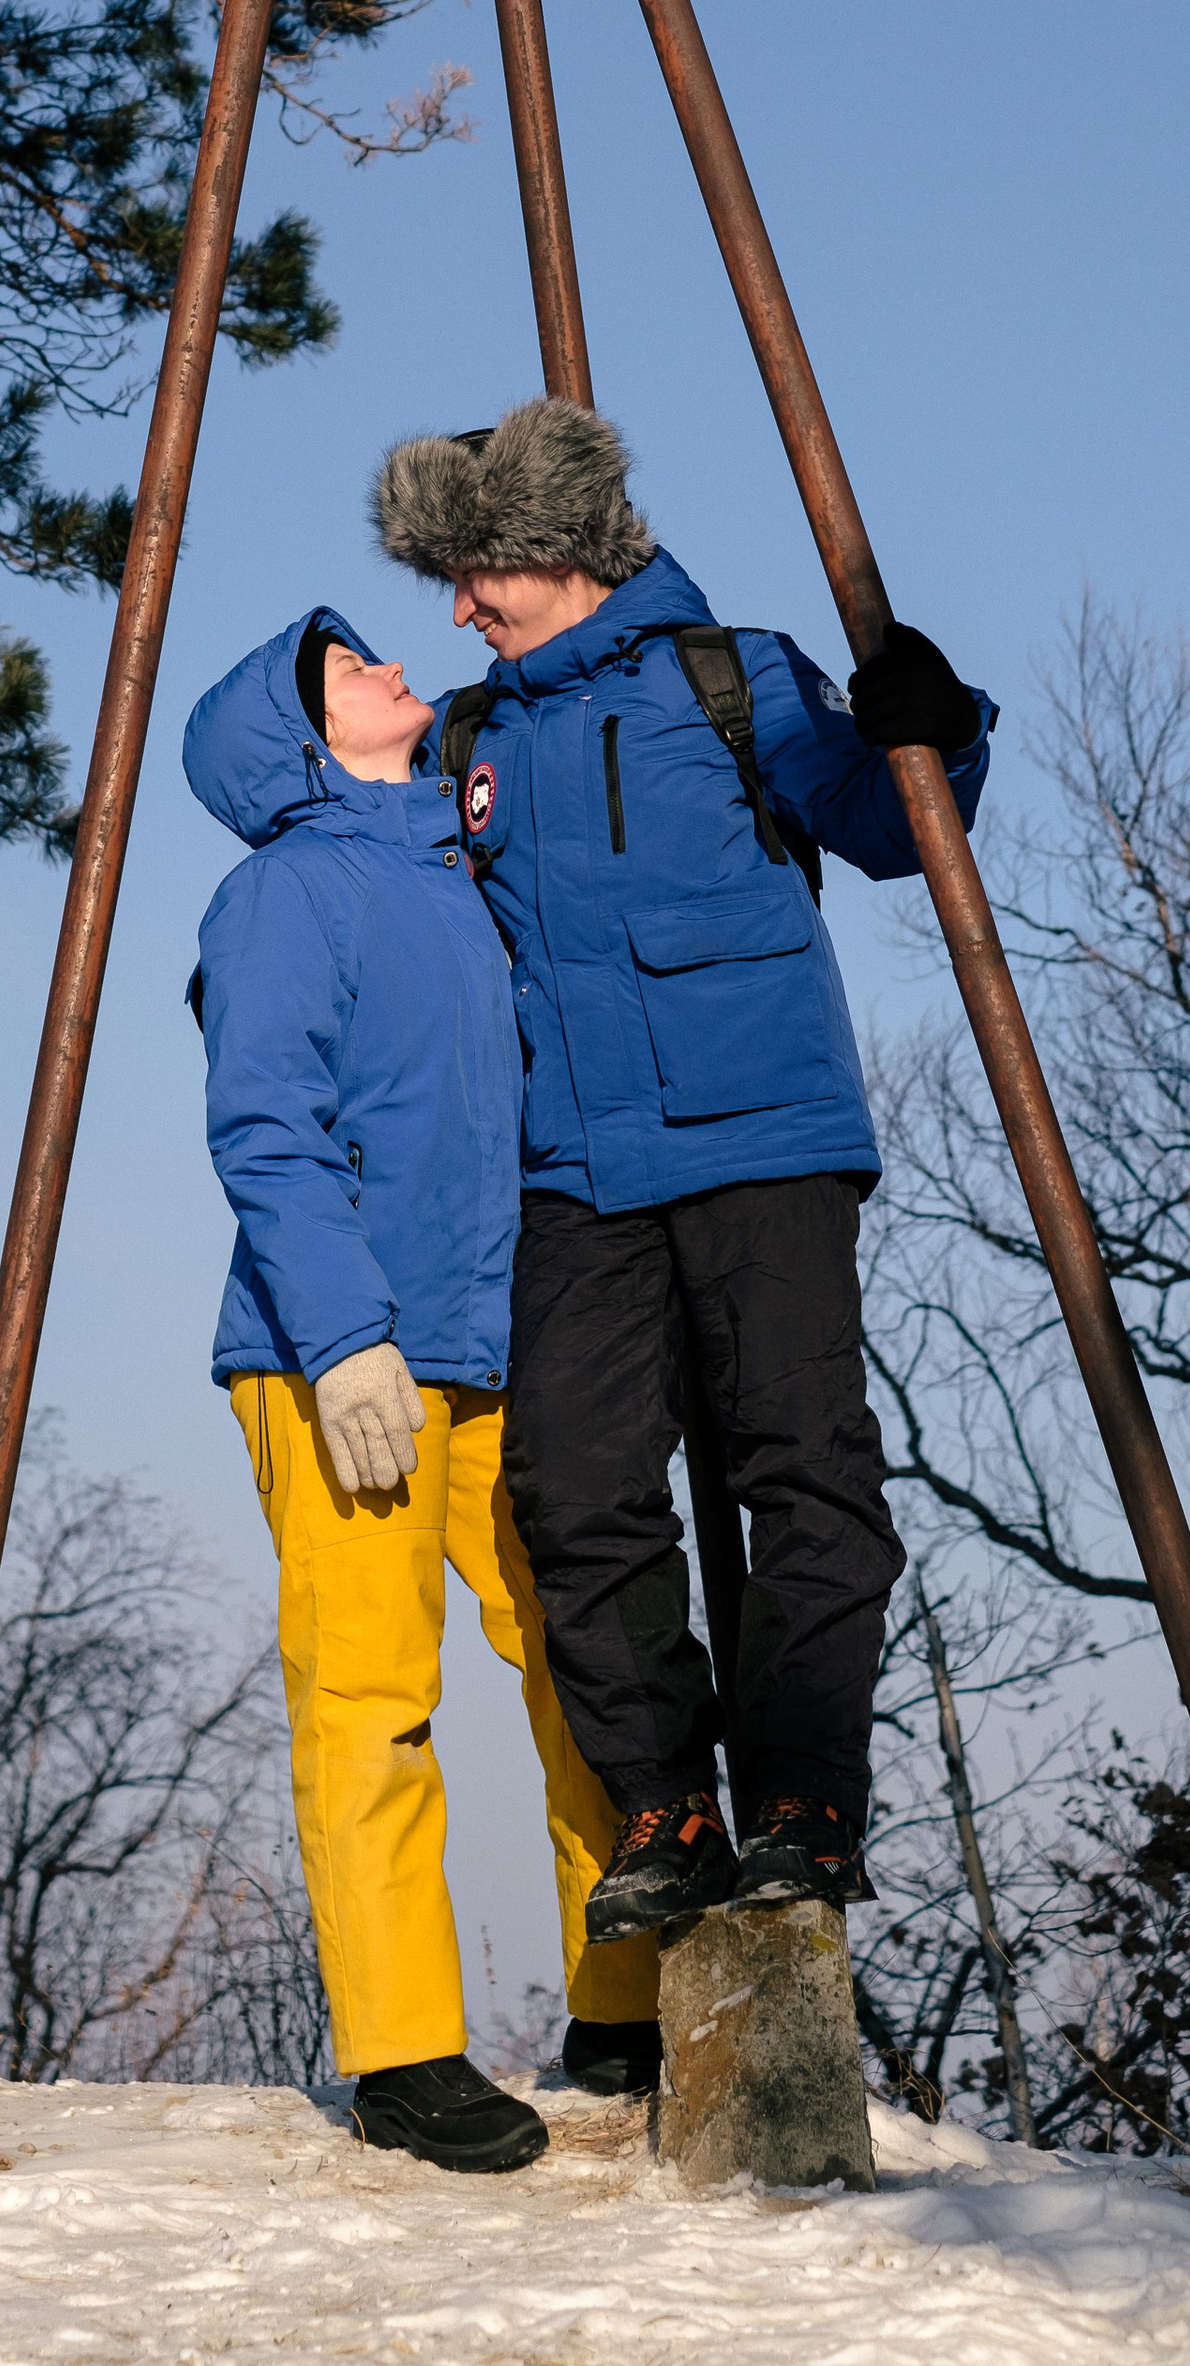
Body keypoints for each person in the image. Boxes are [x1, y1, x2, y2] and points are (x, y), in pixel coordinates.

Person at [371, 399, 993, 1938]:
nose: (457, 606)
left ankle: (801, 1802)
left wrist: (937, 721)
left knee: (800, 1471)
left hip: (763, 1140)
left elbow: (886, 821)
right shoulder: (466, 738)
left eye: (474, 571)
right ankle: (665, 1803)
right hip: (571, 1173)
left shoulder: (735, 675)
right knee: (570, 1492)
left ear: (552, 549)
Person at [184, 603, 663, 2172]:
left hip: (488, 1347)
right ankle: (403, 2053)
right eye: (345, 670)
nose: (389, 664)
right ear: (303, 742)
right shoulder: (282, 892)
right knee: (373, 1694)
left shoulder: (455, 883)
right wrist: (338, 1337)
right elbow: (265, 1122)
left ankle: (623, 1994)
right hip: (340, 1367)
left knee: (577, 1655)